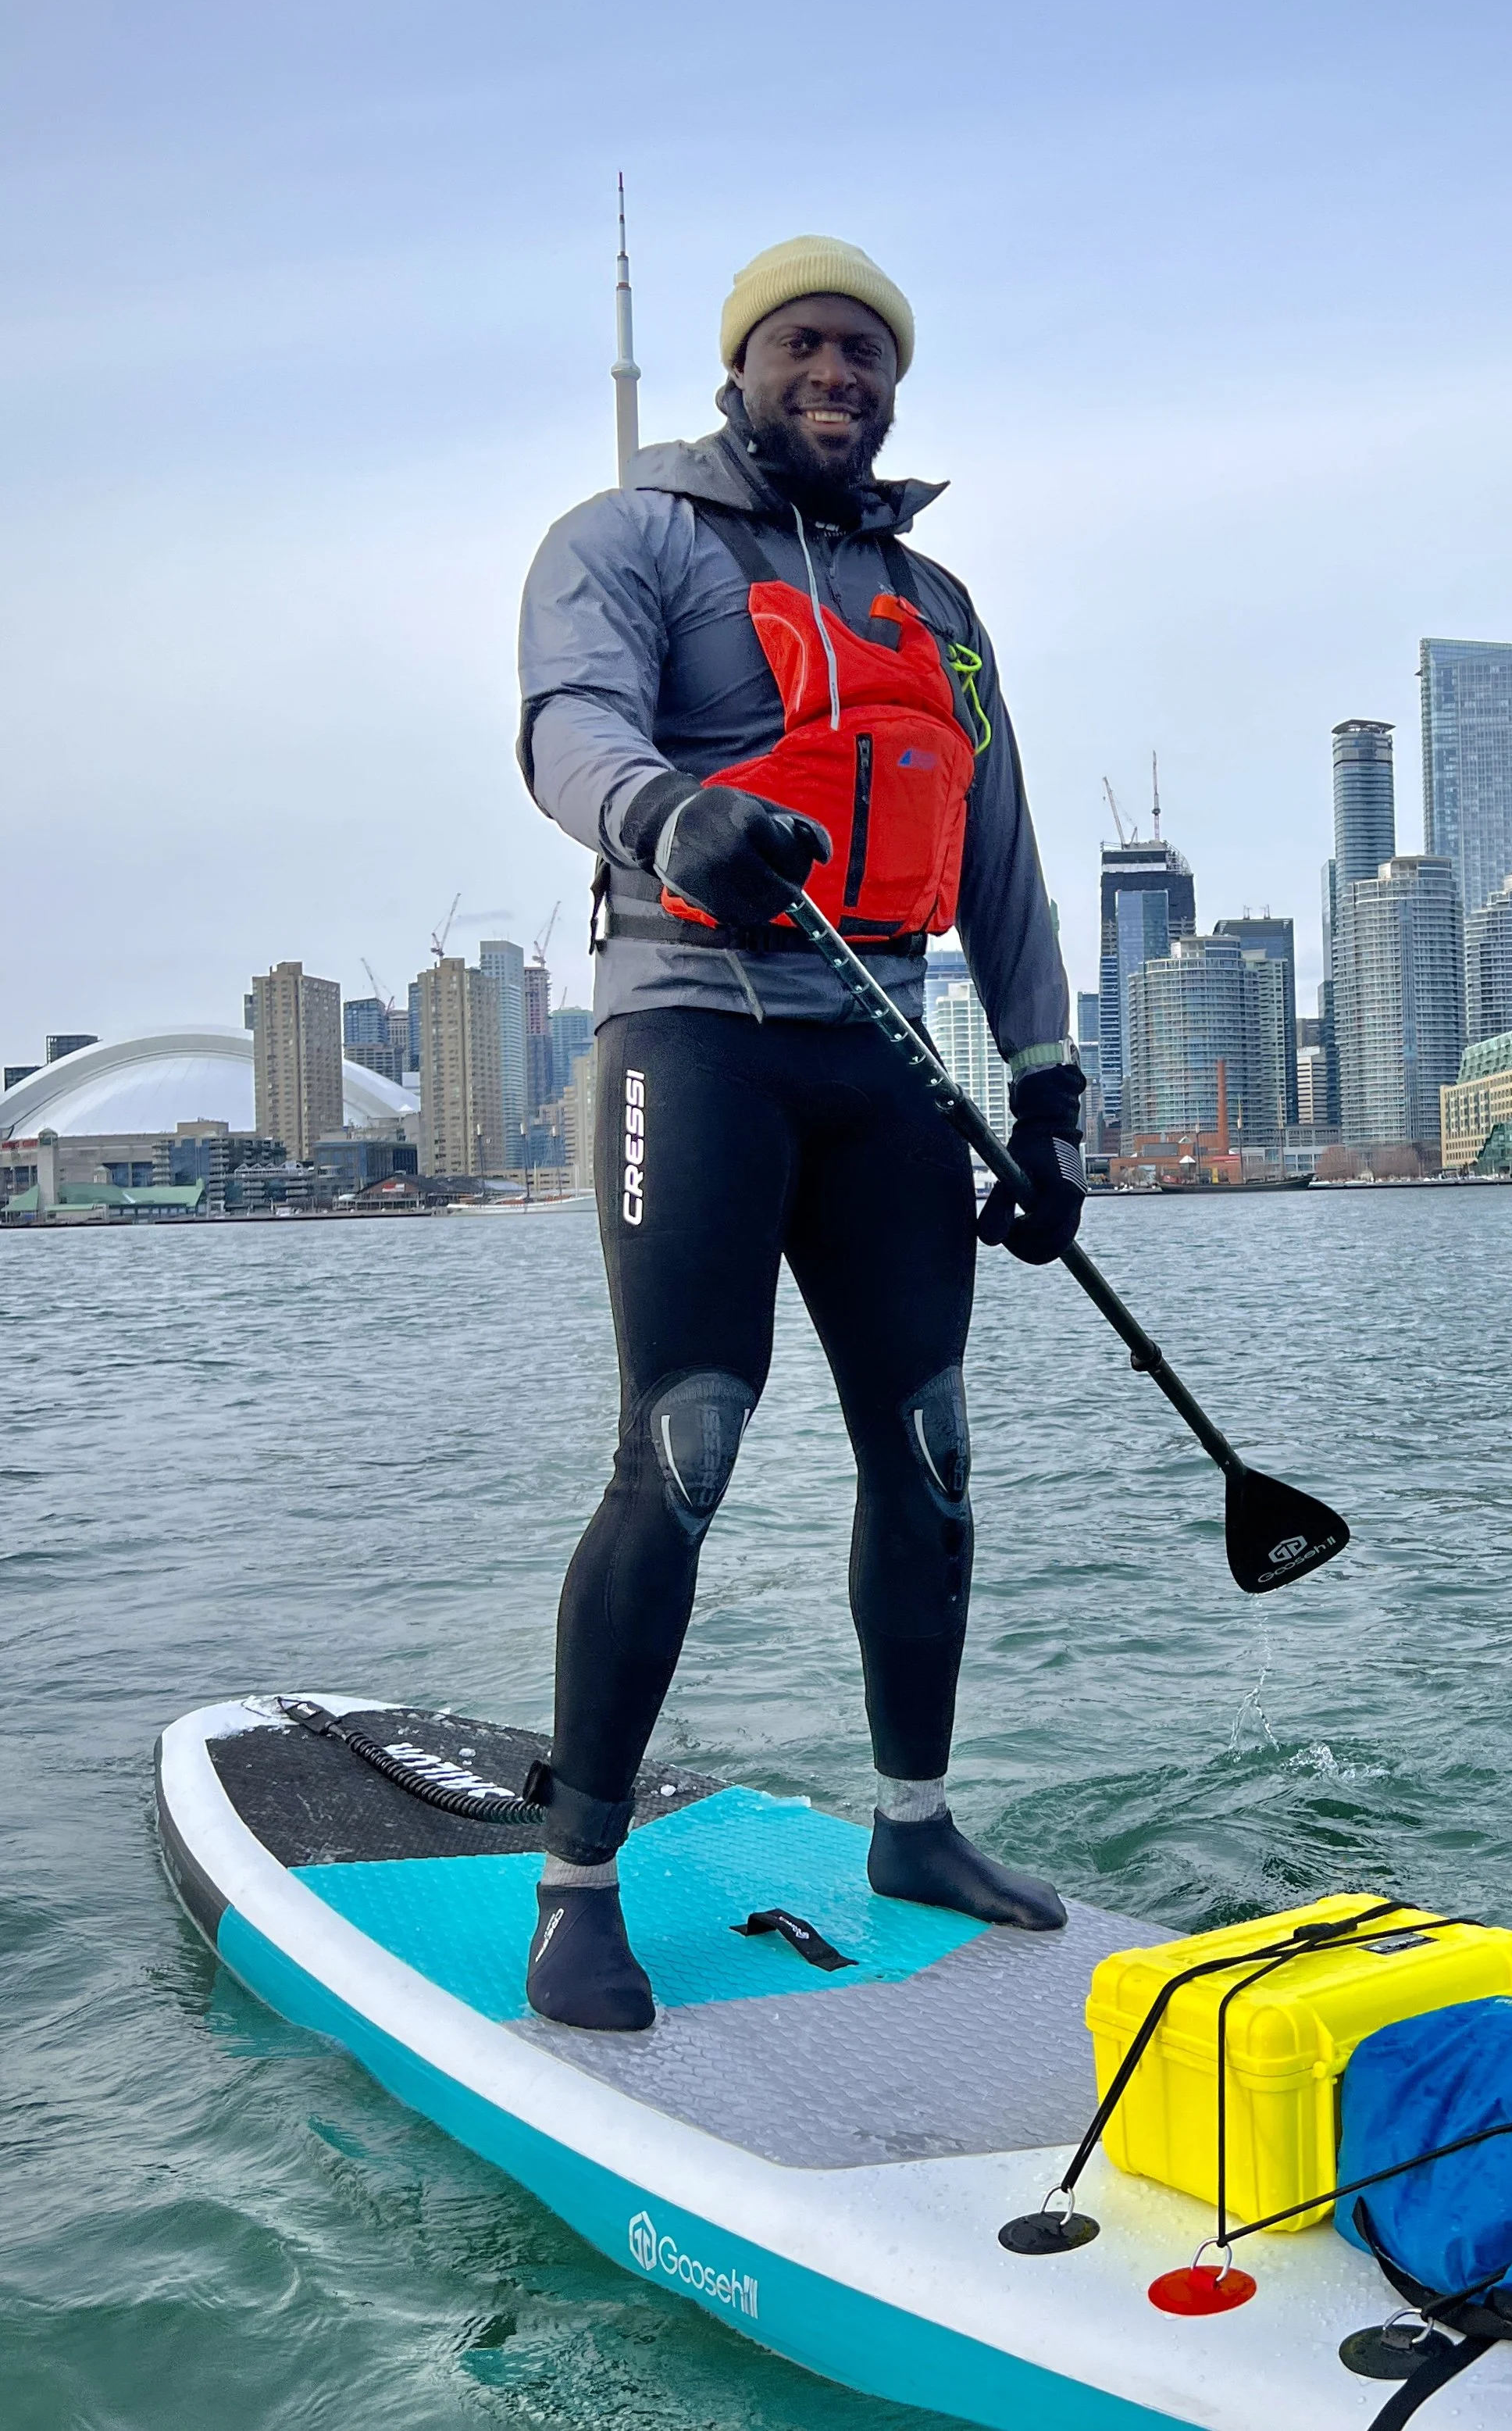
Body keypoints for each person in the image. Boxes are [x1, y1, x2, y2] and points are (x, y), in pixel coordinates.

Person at [515, 235, 1087, 2029]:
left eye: (866, 352)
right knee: (685, 1444)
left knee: (930, 1455)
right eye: (802, 346)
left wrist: (1050, 1088)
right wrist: (671, 815)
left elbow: (993, 852)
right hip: (692, 1035)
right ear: (739, 369)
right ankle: (577, 1882)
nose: (836, 375)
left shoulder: (942, 603)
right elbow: (565, 728)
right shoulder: (625, 542)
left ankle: (913, 1826)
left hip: (885, 1056)